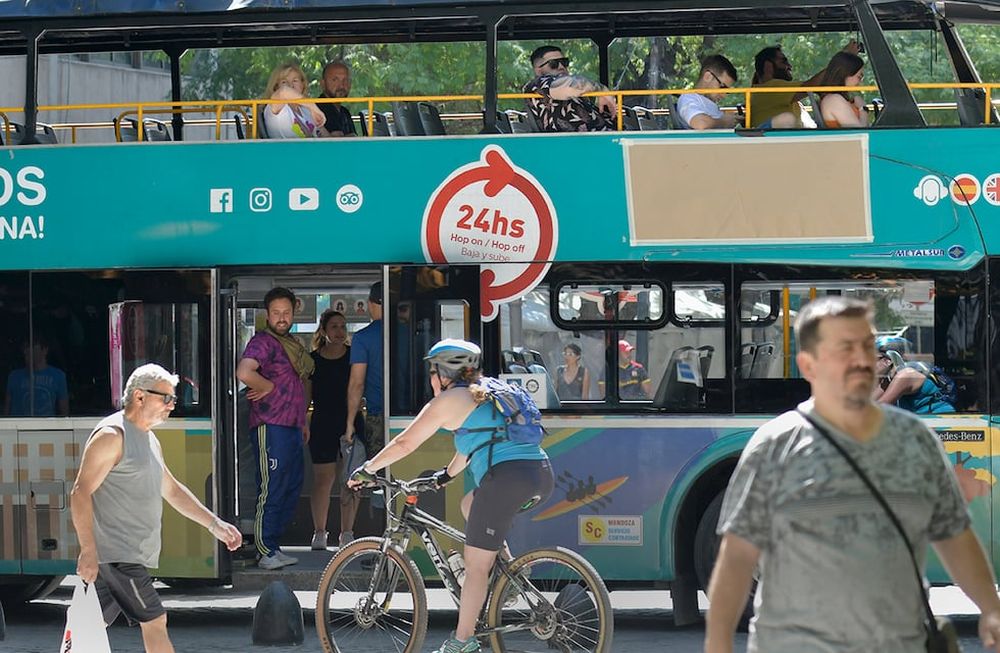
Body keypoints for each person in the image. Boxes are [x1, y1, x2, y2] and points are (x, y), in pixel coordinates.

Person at [705, 296, 1000, 653]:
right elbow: (737, 555)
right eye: (846, 348)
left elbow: (955, 536)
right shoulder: (774, 445)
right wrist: (718, 643)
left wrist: (990, 608)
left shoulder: (916, 441)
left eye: (866, 346)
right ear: (808, 365)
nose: (862, 360)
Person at [348, 339, 553, 653]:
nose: (431, 380)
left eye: (433, 372)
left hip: (506, 481)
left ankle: (462, 641)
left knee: (475, 567)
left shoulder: (449, 400)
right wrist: (444, 477)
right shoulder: (488, 392)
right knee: (468, 504)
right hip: (539, 474)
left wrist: (368, 468)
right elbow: (470, 447)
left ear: (444, 373)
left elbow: (405, 444)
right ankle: (510, 571)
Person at [70, 363, 242, 653]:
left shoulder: (147, 437)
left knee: (86, 626)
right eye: (166, 398)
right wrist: (88, 551)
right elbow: (80, 492)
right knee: (155, 620)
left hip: (125, 554)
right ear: (139, 397)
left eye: (173, 399)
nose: (172, 405)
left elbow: (172, 490)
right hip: (118, 555)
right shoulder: (113, 435)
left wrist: (215, 524)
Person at [236, 286, 314, 569]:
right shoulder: (263, 342)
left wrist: (302, 419)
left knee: (290, 487)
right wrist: (266, 385)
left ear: (294, 312)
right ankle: (265, 549)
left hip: (291, 426)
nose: (282, 318)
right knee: (271, 488)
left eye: (286, 312)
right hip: (271, 426)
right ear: (267, 315)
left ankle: (274, 545)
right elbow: (244, 371)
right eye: (276, 313)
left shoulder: (290, 342)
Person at [305, 309, 363, 550]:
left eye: (342, 326)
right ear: (324, 331)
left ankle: (347, 533)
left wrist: (351, 422)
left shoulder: (354, 357)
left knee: (351, 479)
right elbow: (306, 396)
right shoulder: (313, 360)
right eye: (334, 327)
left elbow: (359, 389)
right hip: (322, 422)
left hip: (352, 421)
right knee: (323, 480)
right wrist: (302, 422)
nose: (340, 331)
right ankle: (320, 532)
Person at [344, 281, 384, 542]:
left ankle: (385, 543)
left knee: (379, 481)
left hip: (378, 418)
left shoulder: (363, 338)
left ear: (371, 304)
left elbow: (357, 383)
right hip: (415, 418)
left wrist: (349, 423)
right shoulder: (412, 332)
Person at [751, 41, 860, 129]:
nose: (790, 66)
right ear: (768, 66)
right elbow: (810, 86)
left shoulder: (787, 99)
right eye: (783, 61)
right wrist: (843, 60)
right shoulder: (768, 89)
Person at [523, 45, 617, 132]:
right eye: (553, 64)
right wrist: (603, 90)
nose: (561, 67)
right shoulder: (536, 84)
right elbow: (570, 86)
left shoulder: (574, 89)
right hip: (577, 144)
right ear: (538, 70)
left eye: (564, 62)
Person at [873, 335, 956, 414]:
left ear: (888, 360)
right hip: (923, 420)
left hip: (940, 420)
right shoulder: (889, 378)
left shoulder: (905, 376)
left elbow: (880, 406)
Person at [4, 333, 68, 416]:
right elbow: (6, 415)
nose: (27, 351)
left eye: (32, 346)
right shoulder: (14, 377)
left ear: (45, 350)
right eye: (25, 347)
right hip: (18, 427)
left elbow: (64, 414)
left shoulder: (58, 376)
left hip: (47, 427)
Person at [261, 63, 326, 139]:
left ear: (303, 84)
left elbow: (327, 138)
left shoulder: (306, 110)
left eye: (295, 81)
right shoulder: (274, 106)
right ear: (276, 87)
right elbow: (284, 92)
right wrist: (313, 107)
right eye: (284, 82)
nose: (290, 86)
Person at [677, 55, 740, 130]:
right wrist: (724, 122)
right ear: (708, 77)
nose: (724, 95)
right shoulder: (688, 98)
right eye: (722, 87)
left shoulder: (706, 102)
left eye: (727, 91)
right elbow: (700, 124)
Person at [818, 51, 869, 128]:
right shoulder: (834, 100)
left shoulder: (838, 98)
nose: (860, 82)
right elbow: (859, 132)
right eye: (859, 77)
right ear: (845, 74)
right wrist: (863, 108)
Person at [317, 60, 357, 137]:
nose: (341, 86)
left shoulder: (344, 112)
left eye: (345, 80)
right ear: (323, 84)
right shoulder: (320, 109)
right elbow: (338, 142)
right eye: (335, 80)